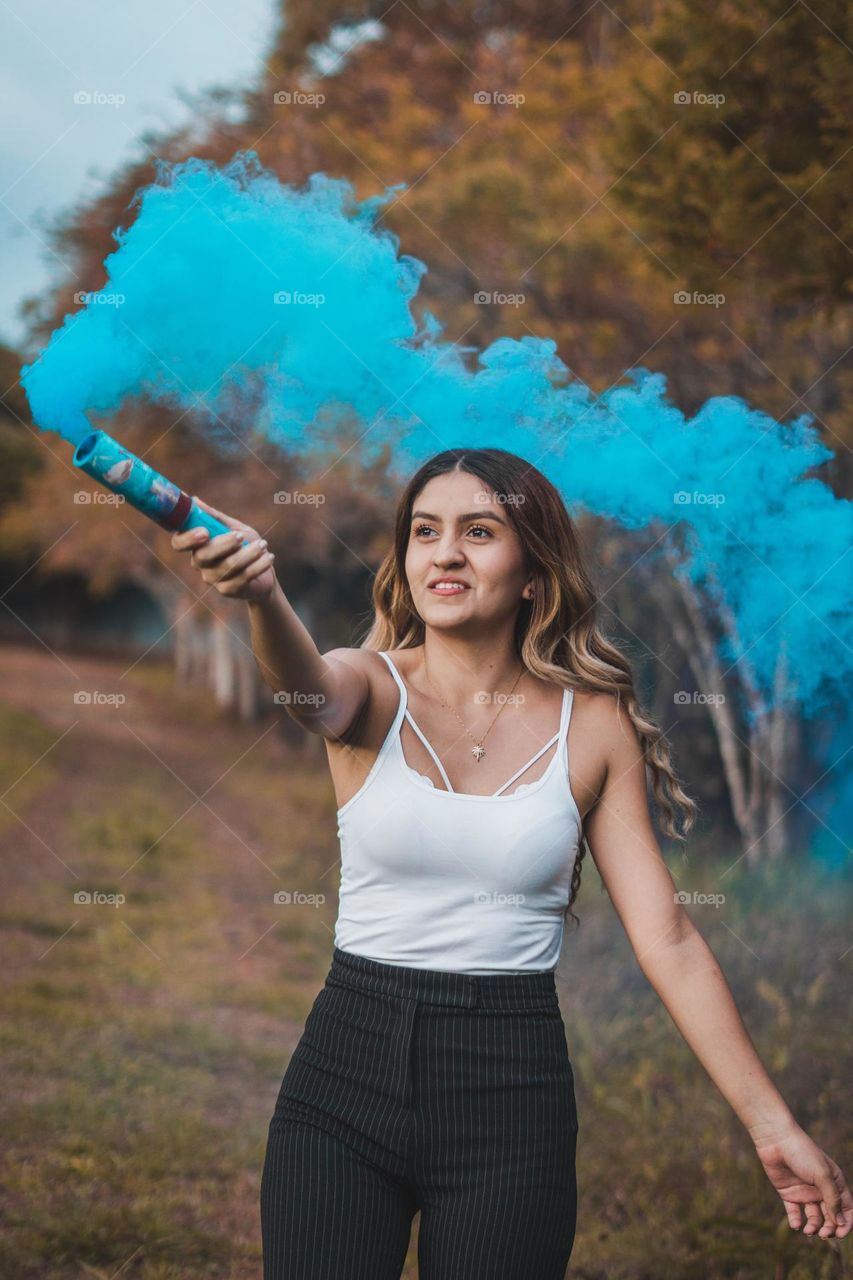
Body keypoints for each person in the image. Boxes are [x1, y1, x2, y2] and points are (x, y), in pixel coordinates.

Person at [172, 447, 851, 1278]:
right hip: (341, 1078)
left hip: (511, 1095)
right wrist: (262, 596)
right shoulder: (369, 688)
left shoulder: (594, 726)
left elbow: (665, 938)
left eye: (478, 531)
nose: (444, 552)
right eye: (424, 532)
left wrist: (771, 1125)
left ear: (533, 571)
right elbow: (305, 688)